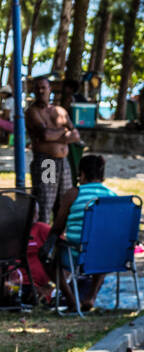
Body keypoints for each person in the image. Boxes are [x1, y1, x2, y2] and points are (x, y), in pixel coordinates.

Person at [48, 152, 117, 308]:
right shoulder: (112, 196)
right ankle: (91, 297)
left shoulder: (74, 194)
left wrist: (49, 243)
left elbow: (58, 227)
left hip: (77, 254)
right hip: (107, 257)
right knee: (102, 244)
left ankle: (72, 300)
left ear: (82, 174)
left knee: (49, 260)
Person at [24, 77, 81, 224]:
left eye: (44, 88)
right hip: (47, 161)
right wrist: (63, 132)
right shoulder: (33, 112)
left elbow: (75, 135)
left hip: (63, 162)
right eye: (38, 88)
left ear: (50, 90)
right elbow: (44, 135)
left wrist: (56, 135)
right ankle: (42, 236)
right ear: (34, 91)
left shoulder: (60, 111)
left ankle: (59, 237)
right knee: (45, 202)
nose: (41, 91)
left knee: (65, 200)